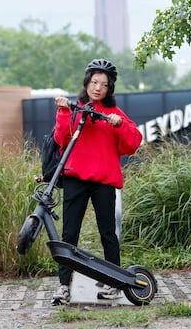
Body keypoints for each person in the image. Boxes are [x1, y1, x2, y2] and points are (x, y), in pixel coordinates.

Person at [50, 59, 143, 305]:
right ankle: (63, 286)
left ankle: (114, 284)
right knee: (69, 234)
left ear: (109, 88)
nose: (98, 88)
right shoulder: (76, 108)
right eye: (94, 82)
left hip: (104, 182)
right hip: (75, 179)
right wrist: (62, 111)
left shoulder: (114, 114)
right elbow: (62, 139)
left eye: (104, 84)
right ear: (87, 83)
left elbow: (133, 143)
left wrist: (120, 124)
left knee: (108, 234)